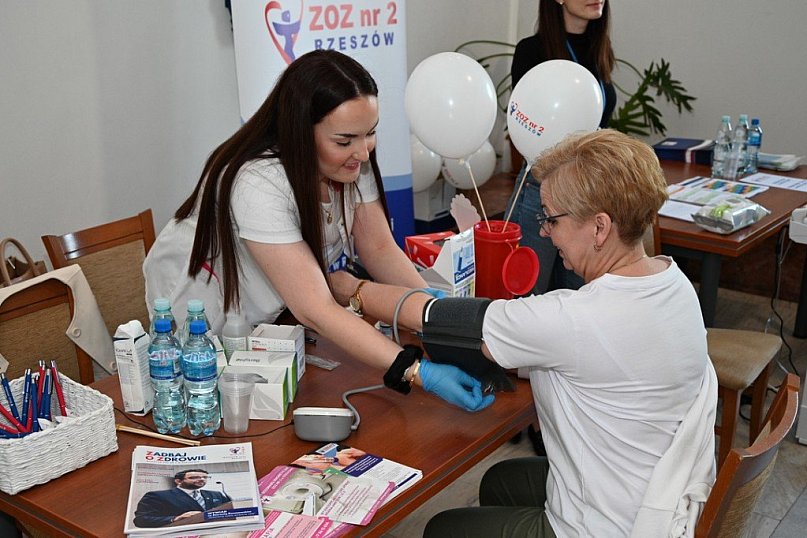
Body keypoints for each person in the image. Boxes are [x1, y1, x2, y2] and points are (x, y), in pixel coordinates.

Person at [330, 130, 718, 536]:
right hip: (654, 491)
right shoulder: (673, 282)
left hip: (605, 527)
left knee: (443, 529)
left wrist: (351, 290)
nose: (546, 232)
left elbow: (431, 317)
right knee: (501, 481)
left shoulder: (576, 317)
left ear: (600, 228)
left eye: (551, 219)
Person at [143, 50, 492, 412]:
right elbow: (315, 309)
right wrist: (415, 370)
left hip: (267, 306)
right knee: (209, 404)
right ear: (300, 132)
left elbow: (378, 248)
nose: (362, 152)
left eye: (370, 133)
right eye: (344, 141)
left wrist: (440, 319)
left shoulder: (352, 161)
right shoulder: (258, 181)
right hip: (200, 307)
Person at [507, 0, 616, 295]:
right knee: (529, 293)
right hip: (542, 185)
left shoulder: (598, 48)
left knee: (578, 295)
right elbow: (524, 122)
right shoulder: (532, 51)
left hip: (586, 190)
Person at [133, 469, 231, 528]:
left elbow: (231, 510)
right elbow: (141, 520)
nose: (202, 479)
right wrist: (175, 519)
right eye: (194, 477)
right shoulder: (157, 496)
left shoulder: (216, 494)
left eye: (205, 477)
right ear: (178, 481)